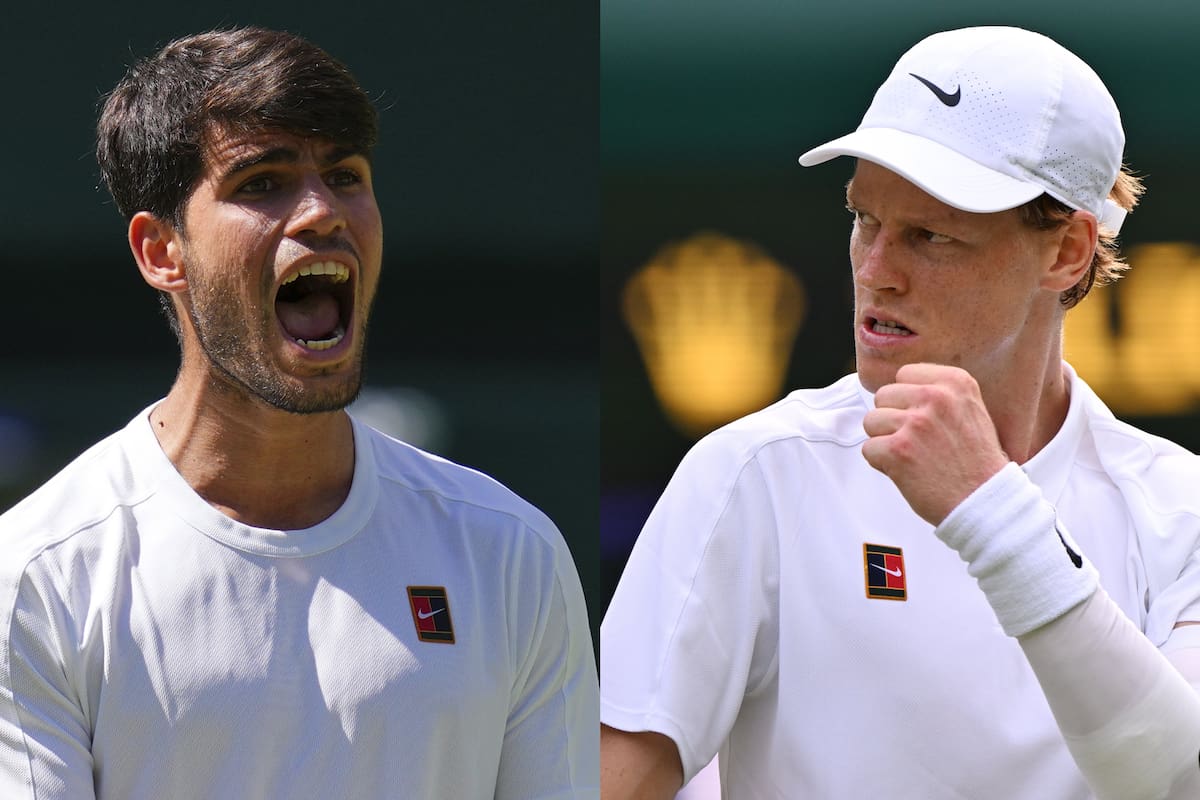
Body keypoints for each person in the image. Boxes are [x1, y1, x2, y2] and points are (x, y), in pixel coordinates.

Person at [600, 25, 1200, 799]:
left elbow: (1175, 777)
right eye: (864, 221)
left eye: (931, 236)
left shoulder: (1181, 507)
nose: (876, 271)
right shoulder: (756, 471)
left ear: (1066, 253)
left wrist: (990, 512)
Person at [0, 27, 598, 799]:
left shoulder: (511, 552)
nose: (322, 212)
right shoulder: (34, 576)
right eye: (261, 183)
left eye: (346, 176)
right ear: (161, 251)